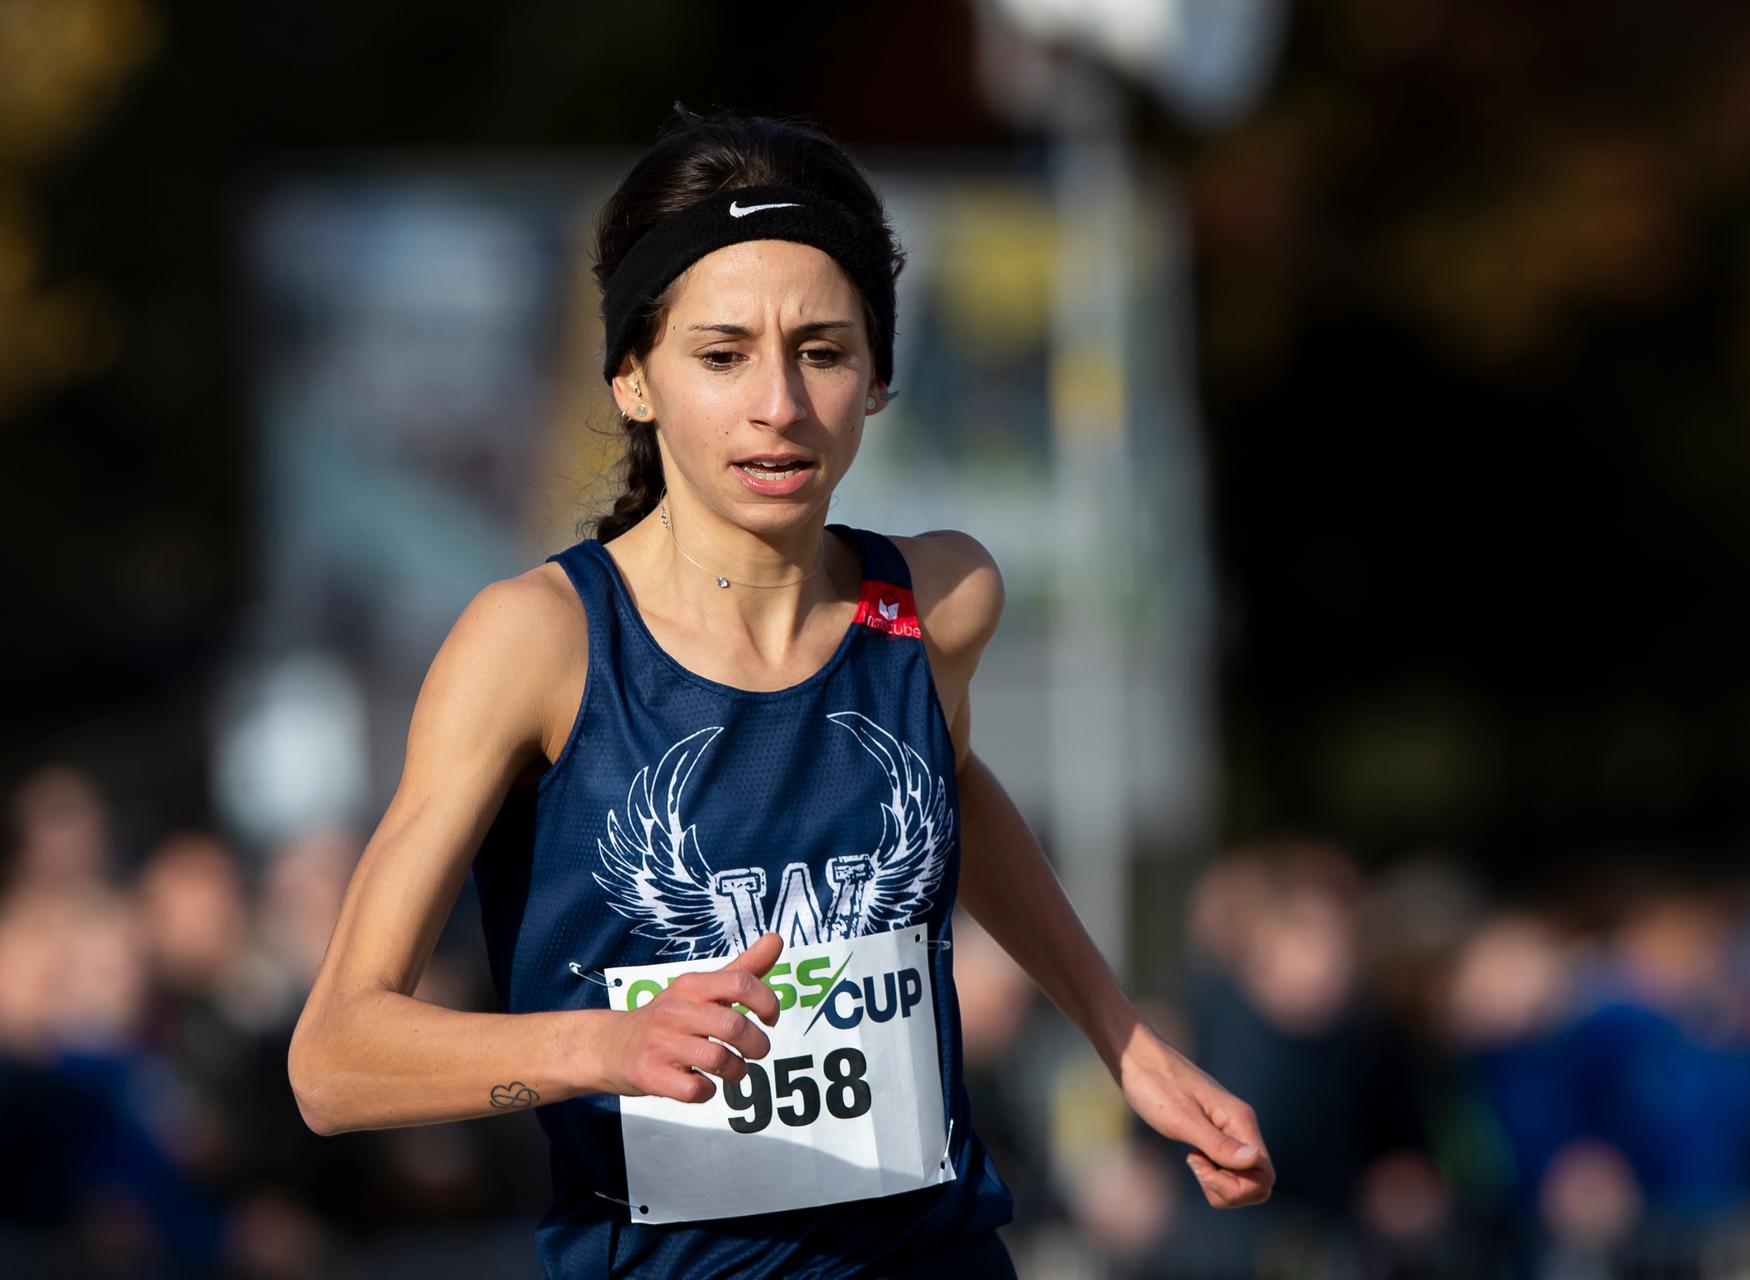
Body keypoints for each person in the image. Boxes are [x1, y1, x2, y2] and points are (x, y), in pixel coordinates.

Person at [287, 105, 1274, 1279]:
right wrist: (608, 1045)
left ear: (878, 379)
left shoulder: (940, 601)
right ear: (635, 381)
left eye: (822, 349)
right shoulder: (537, 641)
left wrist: (1127, 1041)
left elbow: (948, 791)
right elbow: (334, 1060)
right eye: (721, 354)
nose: (780, 404)